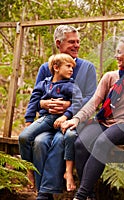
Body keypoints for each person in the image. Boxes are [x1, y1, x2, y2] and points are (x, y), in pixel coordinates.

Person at [60, 37, 124, 200]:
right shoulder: (110, 76)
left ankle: (80, 196)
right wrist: (76, 119)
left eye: (120, 53)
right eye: (116, 52)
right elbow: (94, 102)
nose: (116, 56)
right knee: (80, 144)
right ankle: (89, 195)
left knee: (102, 142)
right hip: (104, 121)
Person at [25, 25, 97, 199]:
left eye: (78, 41)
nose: (76, 45)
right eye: (71, 42)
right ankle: (44, 192)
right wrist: (44, 103)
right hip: (49, 120)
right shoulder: (46, 67)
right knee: (40, 142)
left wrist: (67, 107)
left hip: (72, 122)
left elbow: (91, 97)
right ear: (59, 43)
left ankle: (44, 193)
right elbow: (37, 94)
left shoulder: (87, 67)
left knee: (59, 141)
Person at [18, 53, 82, 193]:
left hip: (63, 121)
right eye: (68, 66)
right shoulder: (44, 84)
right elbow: (33, 102)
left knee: (58, 141)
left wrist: (66, 115)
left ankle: (47, 190)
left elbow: (78, 102)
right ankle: (30, 169)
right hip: (46, 119)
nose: (72, 69)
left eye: (73, 67)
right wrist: (29, 121)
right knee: (23, 137)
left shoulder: (71, 85)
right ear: (56, 67)